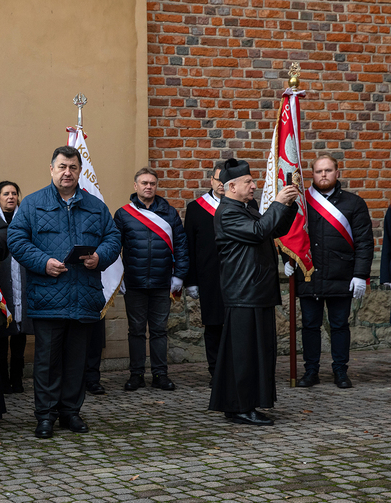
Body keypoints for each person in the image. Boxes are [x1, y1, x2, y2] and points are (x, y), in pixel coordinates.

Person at [9, 146, 122, 439]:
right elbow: (16, 239)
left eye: (72, 167)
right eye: (61, 167)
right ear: (51, 169)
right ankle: (45, 416)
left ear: (79, 171)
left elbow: (113, 237)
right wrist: (43, 262)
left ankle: (71, 412)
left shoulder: (95, 206)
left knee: (76, 361)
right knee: (47, 362)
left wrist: (100, 256)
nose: (67, 173)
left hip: (84, 296)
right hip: (48, 296)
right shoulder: (33, 204)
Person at [209, 158, 299, 426]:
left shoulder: (246, 208)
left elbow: (274, 229)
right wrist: (277, 203)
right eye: (248, 182)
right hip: (243, 292)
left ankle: (236, 403)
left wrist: (290, 205)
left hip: (254, 291)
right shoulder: (227, 212)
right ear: (231, 186)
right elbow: (259, 231)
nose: (254, 185)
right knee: (245, 354)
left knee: (253, 352)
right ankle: (241, 406)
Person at [289, 155, 373, 389]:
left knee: (339, 326)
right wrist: (287, 259)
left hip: (342, 276)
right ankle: (311, 371)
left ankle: (340, 371)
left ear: (337, 172)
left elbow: (365, 243)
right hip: (309, 275)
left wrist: (360, 274)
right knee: (309, 326)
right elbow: (288, 234)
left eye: (328, 170)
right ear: (312, 174)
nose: (323, 175)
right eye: (318, 171)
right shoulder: (301, 202)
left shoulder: (354, 203)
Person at [114, 167, 189, 392]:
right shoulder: (123, 214)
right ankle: (136, 375)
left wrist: (180, 276)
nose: (148, 187)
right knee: (136, 331)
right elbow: (113, 247)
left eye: (152, 183)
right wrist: (119, 276)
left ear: (156, 186)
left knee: (159, 330)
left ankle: (160, 374)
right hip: (135, 282)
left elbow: (182, 246)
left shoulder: (169, 213)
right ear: (135, 186)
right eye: (144, 183)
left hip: (162, 282)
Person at [183, 163, 226, 384]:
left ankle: (236, 369)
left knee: (236, 326)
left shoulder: (245, 204)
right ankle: (216, 371)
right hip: (208, 278)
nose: (221, 184)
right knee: (213, 326)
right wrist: (191, 281)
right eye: (218, 179)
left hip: (237, 277)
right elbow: (189, 246)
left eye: (225, 180)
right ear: (211, 180)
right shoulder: (196, 208)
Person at [0, 181, 32, 394]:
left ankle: (17, 379)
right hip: (0, 284)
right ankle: (1, 380)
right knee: (0, 334)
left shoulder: (25, 218)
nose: (11, 197)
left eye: (14, 193)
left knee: (20, 333)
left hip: (22, 282)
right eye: (6, 194)